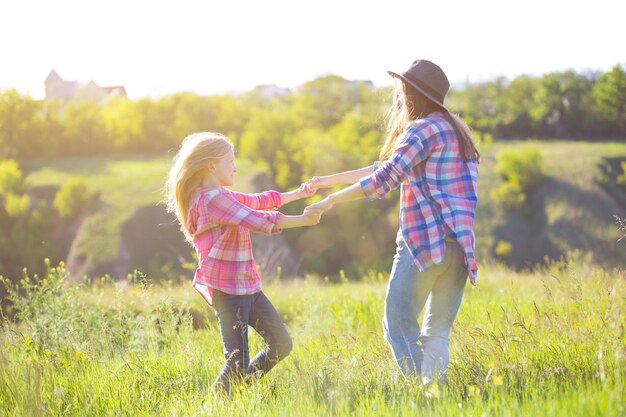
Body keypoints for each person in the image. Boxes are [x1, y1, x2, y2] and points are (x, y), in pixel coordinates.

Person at [304, 59, 480, 386]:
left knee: (397, 326)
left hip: (425, 243)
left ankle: (425, 399)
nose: (397, 98)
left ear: (411, 94)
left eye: (401, 90)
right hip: (460, 248)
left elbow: (385, 178)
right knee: (436, 332)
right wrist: (327, 181)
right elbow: (388, 165)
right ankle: (436, 397)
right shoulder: (455, 131)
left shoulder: (421, 128)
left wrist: (331, 202)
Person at [165, 132, 322, 394]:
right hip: (228, 291)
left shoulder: (219, 195)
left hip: (247, 286)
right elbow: (258, 219)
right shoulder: (211, 199)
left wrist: (298, 193)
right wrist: (302, 220)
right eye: (231, 161)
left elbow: (256, 201)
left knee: (281, 344)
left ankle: (239, 394)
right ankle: (216, 406)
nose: (235, 167)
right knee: (236, 363)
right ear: (212, 165)